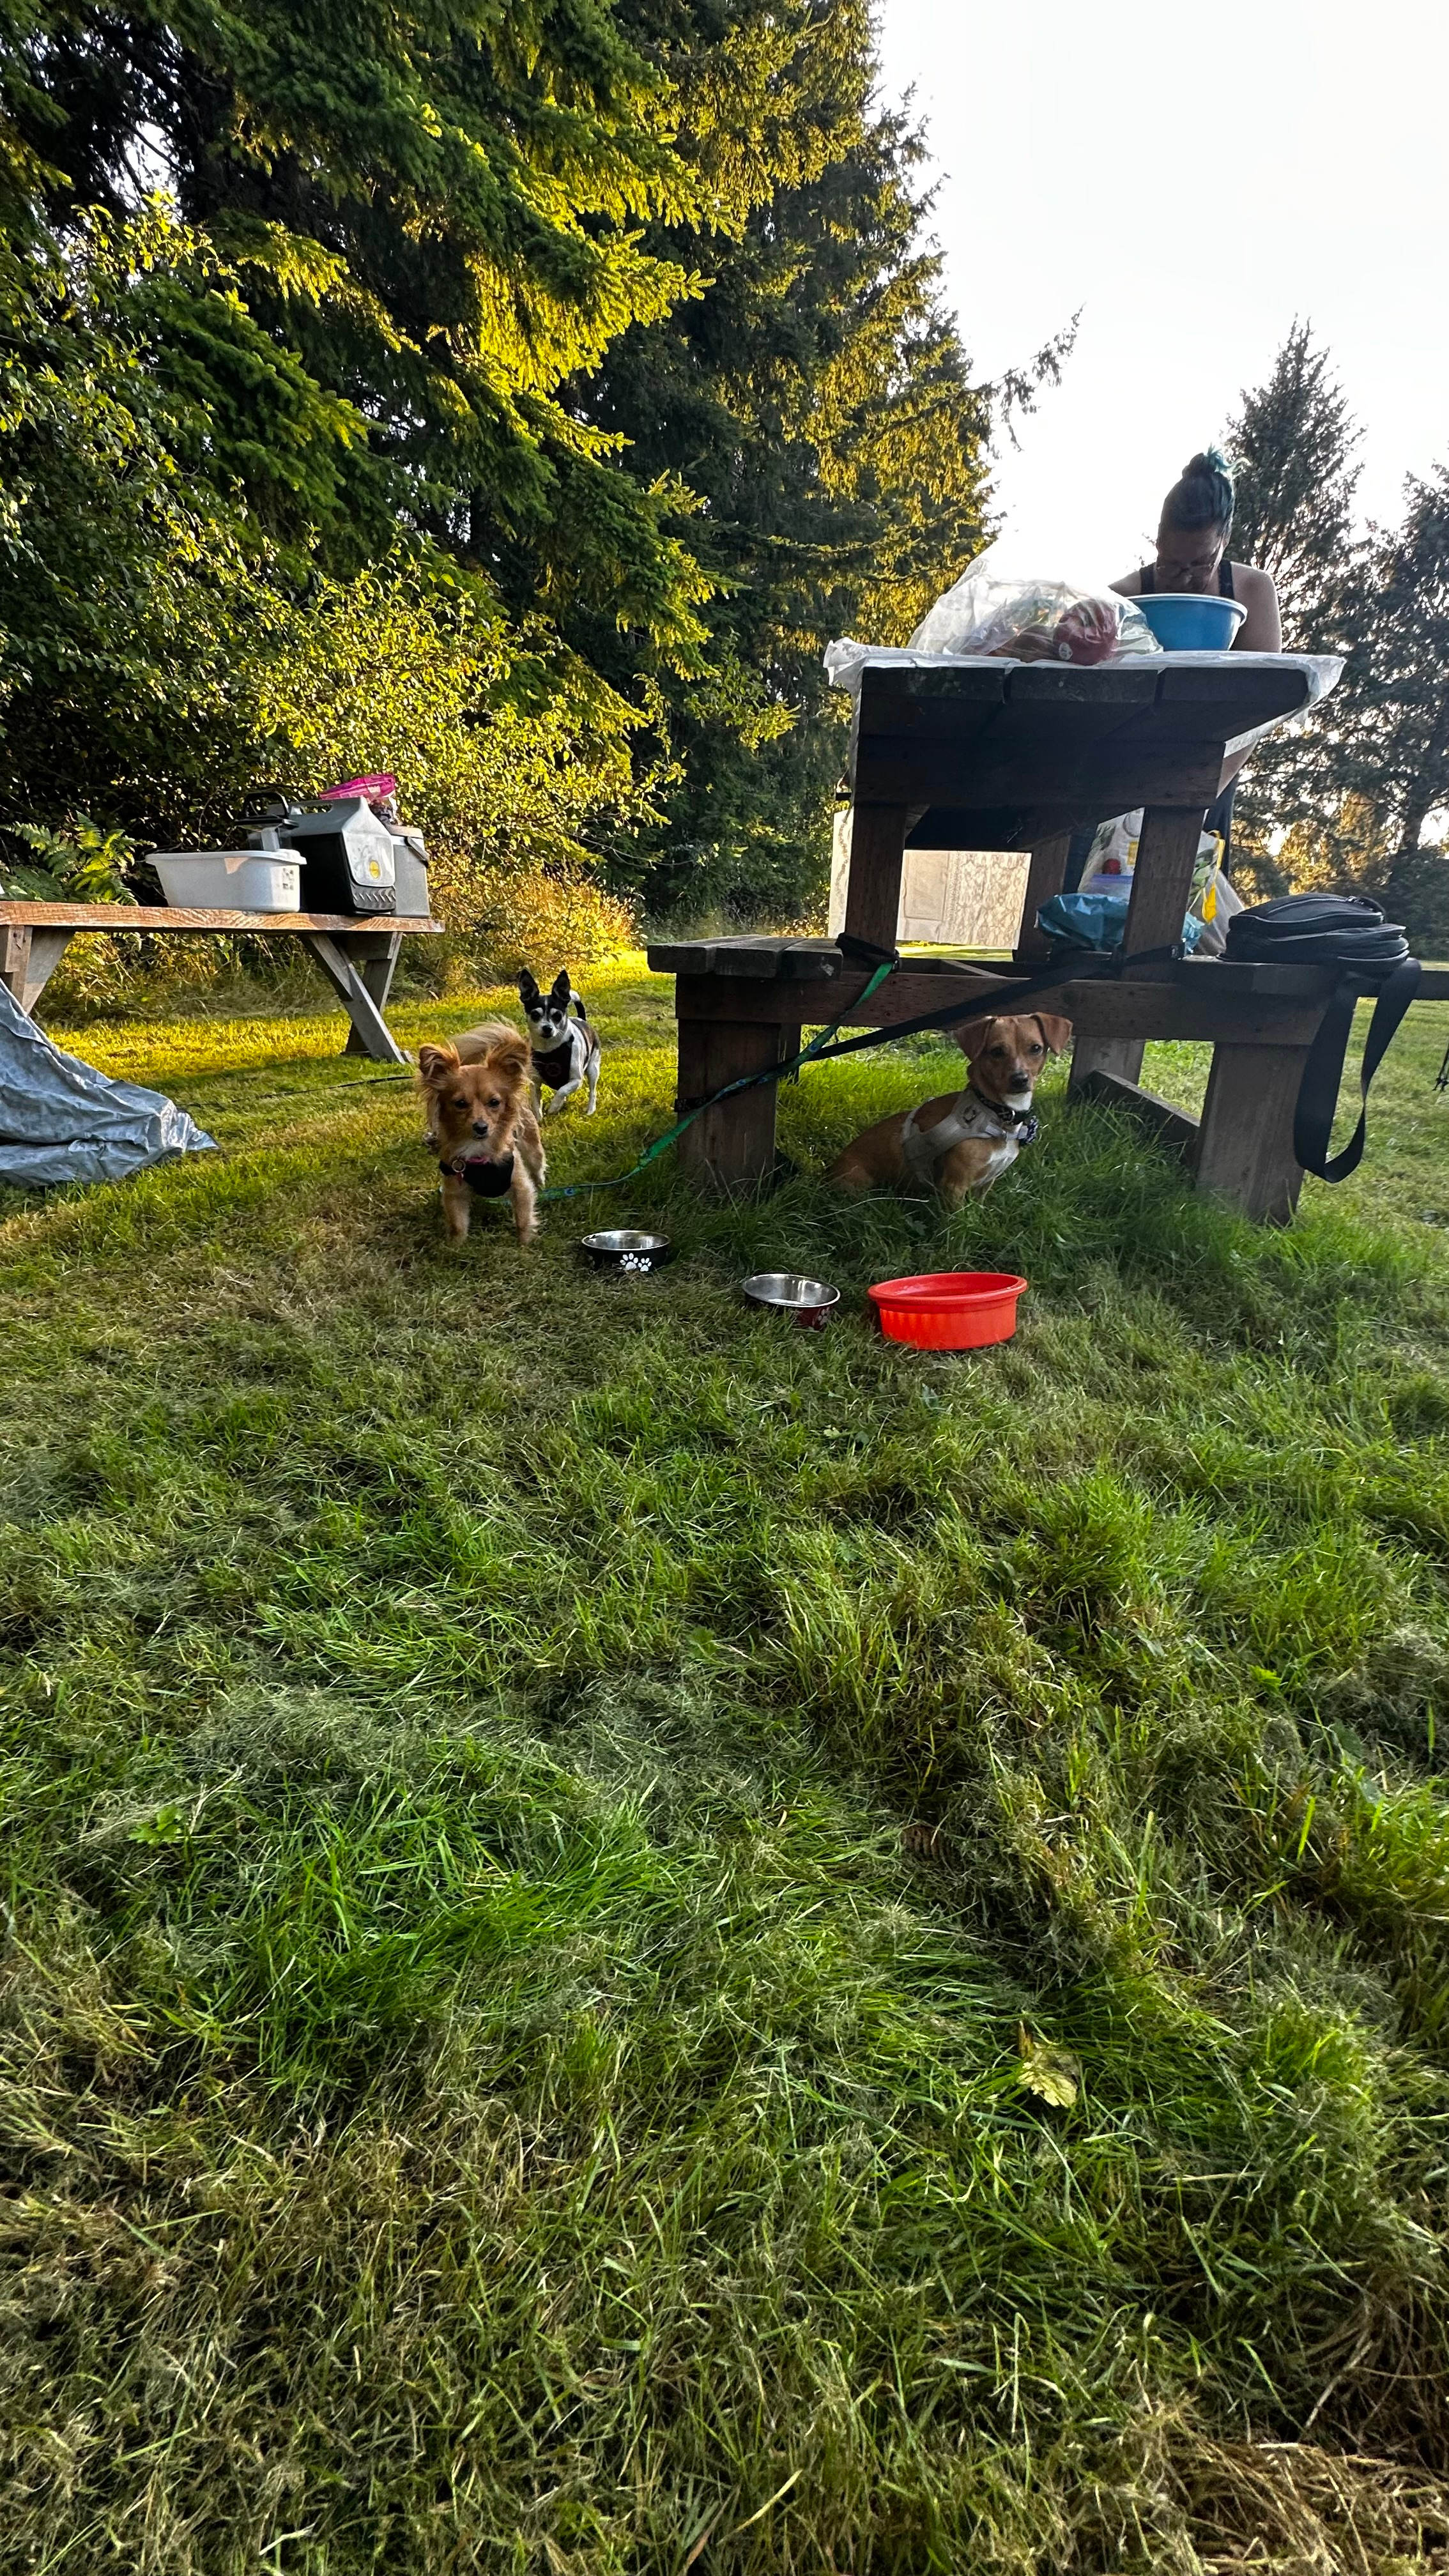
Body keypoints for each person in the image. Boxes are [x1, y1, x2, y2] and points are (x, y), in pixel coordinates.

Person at [1064, 448, 1283, 890]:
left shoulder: (1253, 591)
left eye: (1200, 566)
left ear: (1224, 541)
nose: (1182, 578)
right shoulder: (1124, 595)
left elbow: (1262, 711)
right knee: (1093, 885)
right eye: (1170, 564)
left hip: (1212, 763)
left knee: (1180, 896)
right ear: (1158, 540)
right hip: (1124, 767)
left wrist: (1206, 789)